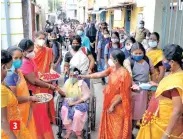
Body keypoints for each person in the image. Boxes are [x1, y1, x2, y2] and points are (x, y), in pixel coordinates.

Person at [80, 50, 132, 139]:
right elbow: (100, 74)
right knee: (109, 126)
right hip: (109, 101)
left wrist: (113, 105)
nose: (109, 60)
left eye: (111, 58)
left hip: (118, 106)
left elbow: (123, 94)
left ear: (116, 60)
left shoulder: (125, 74)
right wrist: (84, 76)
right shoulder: (112, 68)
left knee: (117, 129)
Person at [18, 39, 64, 139]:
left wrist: (42, 77)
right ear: (23, 51)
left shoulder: (30, 59)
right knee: (37, 121)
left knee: (41, 119)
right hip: (31, 96)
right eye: (29, 51)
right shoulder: (24, 63)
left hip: (36, 94)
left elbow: (36, 76)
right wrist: (50, 86)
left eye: (32, 49)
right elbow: (34, 81)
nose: (32, 52)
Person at [137, 44, 183, 139]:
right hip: (159, 119)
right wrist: (157, 86)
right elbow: (168, 92)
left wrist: (166, 134)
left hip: (164, 126)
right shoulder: (174, 73)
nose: (162, 61)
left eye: (164, 59)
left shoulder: (177, 81)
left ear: (172, 62)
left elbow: (177, 111)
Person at [5, 47, 38, 139]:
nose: (19, 61)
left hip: (25, 111)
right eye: (15, 58)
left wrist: (30, 94)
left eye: (20, 58)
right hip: (15, 115)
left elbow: (22, 90)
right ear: (9, 59)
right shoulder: (9, 76)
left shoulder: (18, 72)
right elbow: (14, 99)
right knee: (17, 135)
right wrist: (30, 98)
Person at [123, 43, 156, 134]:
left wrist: (153, 84)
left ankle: (135, 133)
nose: (138, 55)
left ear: (144, 52)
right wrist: (134, 85)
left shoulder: (148, 60)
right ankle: (128, 133)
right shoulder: (128, 61)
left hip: (145, 91)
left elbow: (152, 73)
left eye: (140, 53)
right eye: (135, 53)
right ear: (131, 53)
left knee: (142, 114)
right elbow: (128, 76)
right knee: (131, 114)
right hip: (132, 90)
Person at [33, 31, 56, 124]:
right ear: (35, 39)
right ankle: (39, 120)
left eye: (43, 39)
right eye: (40, 38)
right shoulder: (31, 52)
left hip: (47, 79)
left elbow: (51, 63)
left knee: (47, 99)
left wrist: (51, 70)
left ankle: (48, 119)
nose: (42, 40)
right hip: (34, 80)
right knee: (38, 100)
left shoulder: (48, 50)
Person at [61, 67, 91, 139]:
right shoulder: (68, 82)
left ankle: (78, 134)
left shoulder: (82, 83)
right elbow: (64, 93)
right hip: (69, 102)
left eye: (74, 76)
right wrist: (59, 90)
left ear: (78, 76)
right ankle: (69, 131)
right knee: (64, 109)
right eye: (70, 75)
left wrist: (74, 103)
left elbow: (85, 96)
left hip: (80, 103)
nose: (72, 77)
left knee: (77, 115)